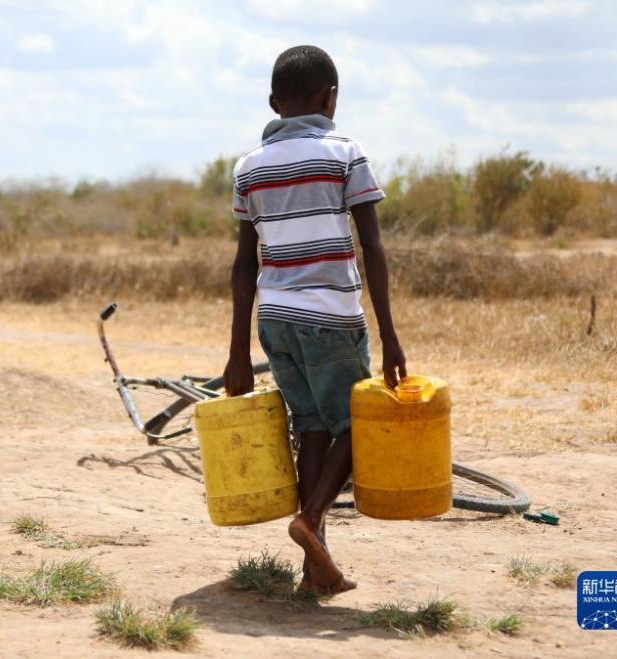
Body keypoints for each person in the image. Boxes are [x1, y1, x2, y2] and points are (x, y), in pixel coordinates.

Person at [223, 45, 406, 596]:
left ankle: (314, 569)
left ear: (274, 103)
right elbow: (371, 247)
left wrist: (236, 353)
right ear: (331, 98)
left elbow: (241, 265)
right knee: (359, 423)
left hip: (274, 319)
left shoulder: (249, 168)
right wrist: (391, 337)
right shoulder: (344, 152)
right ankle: (312, 520)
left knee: (314, 429)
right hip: (330, 315)